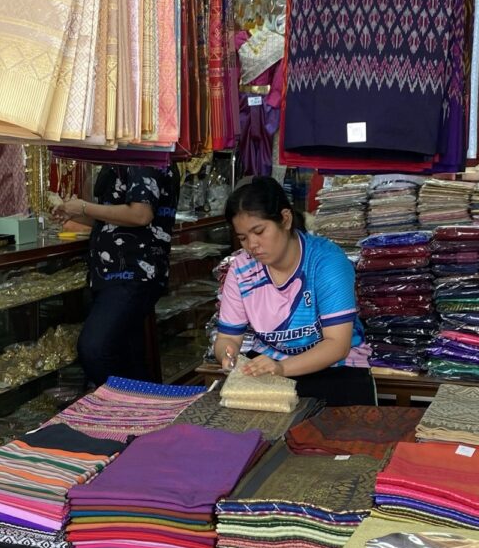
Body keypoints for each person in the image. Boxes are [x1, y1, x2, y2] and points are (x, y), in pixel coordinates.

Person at [213, 176, 376, 406]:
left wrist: (282, 368)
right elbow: (228, 337)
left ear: (285, 219)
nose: (252, 245)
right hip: (269, 371)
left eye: (259, 231)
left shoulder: (326, 261)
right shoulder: (241, 269)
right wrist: (227, 356)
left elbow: (337, 345)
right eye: (243, 238)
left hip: (336, 372)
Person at [53, 164, 180, 386]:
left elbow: (141, 214)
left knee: (95, 348)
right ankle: (144, 413)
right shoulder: (123, 158)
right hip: (114, 274)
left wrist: (84, 208)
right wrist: (75, 213)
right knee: (127, 353)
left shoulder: (143, 154)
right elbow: (116, 218)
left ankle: (124, 408)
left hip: (133, 274)